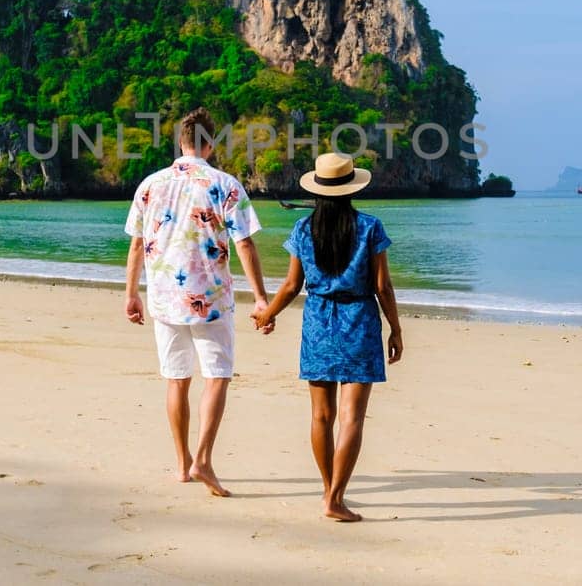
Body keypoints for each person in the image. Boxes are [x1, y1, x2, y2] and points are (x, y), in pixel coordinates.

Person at [123, 108, 269, 497]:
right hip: (213, 299)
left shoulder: (150, 184)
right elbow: (244, 243)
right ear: (210, 143)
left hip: (165, 299)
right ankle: (203, 458)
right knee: (217, 376)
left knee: (177, 380)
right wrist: (260, 298)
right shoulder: (224, 184)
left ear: (181, 143)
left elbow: (137, 243)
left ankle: (182, 465)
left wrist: (131, 294)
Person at [252, 152, 403, 522]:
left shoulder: (304, 229)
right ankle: (336, 498)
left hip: (319, 321)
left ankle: (326, 490)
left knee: (321, 415)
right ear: (351, 188)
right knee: (351, 418)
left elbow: (291, 285)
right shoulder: (370, 227)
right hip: (360, 322)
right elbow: (382, 286)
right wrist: (396, 328)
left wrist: (267, 315)